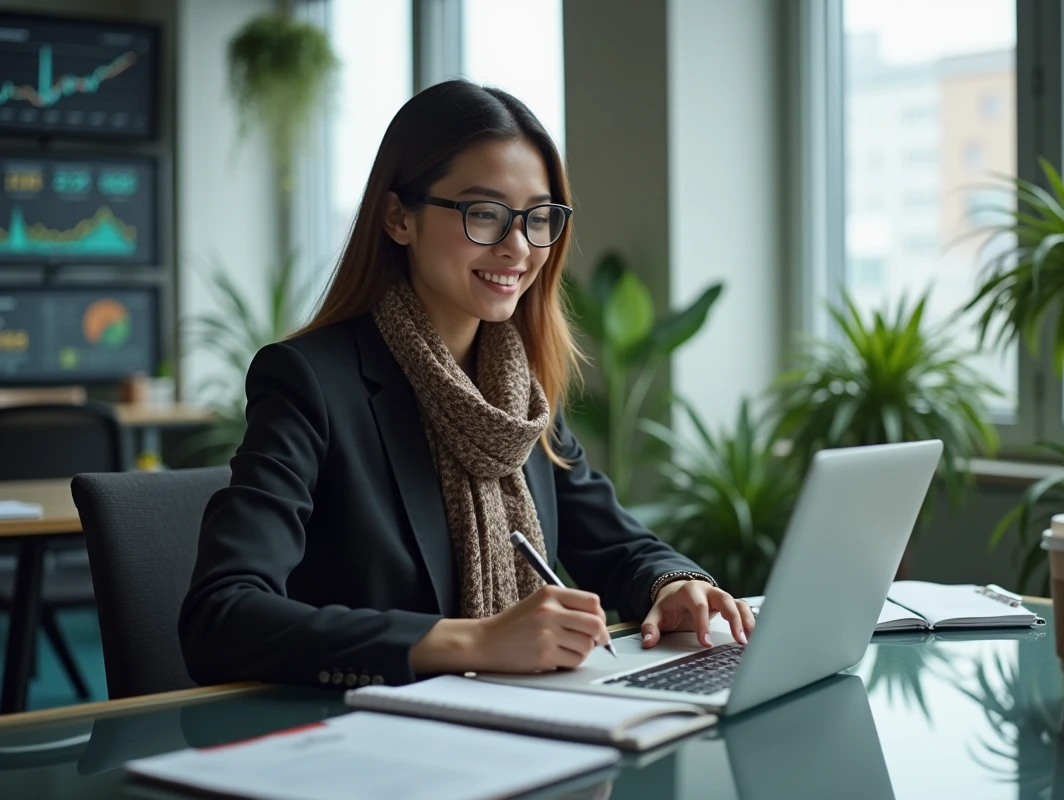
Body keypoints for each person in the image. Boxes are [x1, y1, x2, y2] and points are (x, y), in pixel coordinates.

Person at [178, 79, 754, 690]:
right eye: (484, 213)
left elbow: (614, 542)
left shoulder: (518, 390)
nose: (517, 247)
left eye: (538, 218)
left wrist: (674, 583)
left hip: (523, 730)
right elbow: (222, 616)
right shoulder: (310, 381)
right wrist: (472, 641)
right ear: (399, 217)